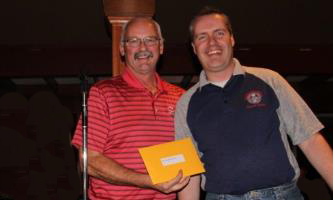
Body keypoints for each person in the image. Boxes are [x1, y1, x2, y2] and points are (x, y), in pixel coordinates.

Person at [175, 7, 333, 200]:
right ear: (193, 47)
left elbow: (310, 139)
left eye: (219, 33)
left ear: (232, 39)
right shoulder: (186, 103)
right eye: (202, 37)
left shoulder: (270, 80)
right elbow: (189, 171)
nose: (212, 42)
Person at [72, 17, 189, 200]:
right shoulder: (103, 94)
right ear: (122, 49)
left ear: (161, 47)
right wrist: (148, 181)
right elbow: (89, 161)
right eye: (133, 41)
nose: (143, 48)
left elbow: (189, 162)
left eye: (150, 40)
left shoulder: (181, 97)